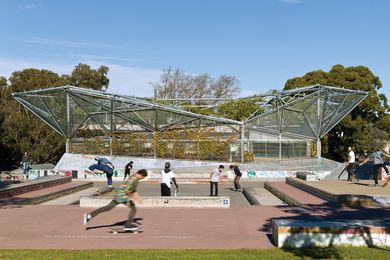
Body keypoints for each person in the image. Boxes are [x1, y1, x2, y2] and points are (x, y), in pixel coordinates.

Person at [83, 169, 148, 231]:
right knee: (133, 209)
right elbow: (127, 190)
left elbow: (133, 190)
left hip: (119, 195)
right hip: (122, 196)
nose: (143, 179)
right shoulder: (133, 180)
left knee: (108, 208)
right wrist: (132, 197)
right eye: (143, 177)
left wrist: (137, 198)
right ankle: (128, 225)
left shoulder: (135, 178)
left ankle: (89, 215)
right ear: (141, 175)